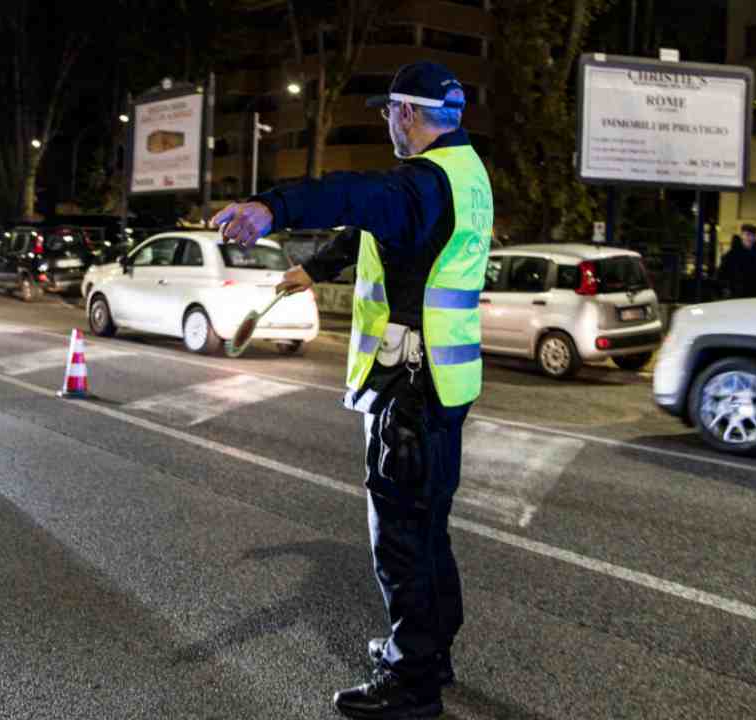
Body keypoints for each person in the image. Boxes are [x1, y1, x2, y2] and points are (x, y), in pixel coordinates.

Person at [214, 61, 491, 720]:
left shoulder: (420, 184)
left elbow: (357, 196)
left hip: (410, 388)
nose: (387, 123)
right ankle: (431, 650)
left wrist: (269, 207)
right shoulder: (466, 175)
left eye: (390, 111)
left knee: (399, 537)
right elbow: (372, 229)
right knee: (430, 530)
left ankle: (411, 682)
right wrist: (314, 268)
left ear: (408, 113)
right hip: (446, 383)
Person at [717, 224, 756, 298]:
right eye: (747, 235)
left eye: (753, 235)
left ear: (755, 237)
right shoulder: (732, 254)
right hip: (736, 296)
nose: (749, 238)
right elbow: (721, 274)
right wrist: (725, 289)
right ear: (742, 236)